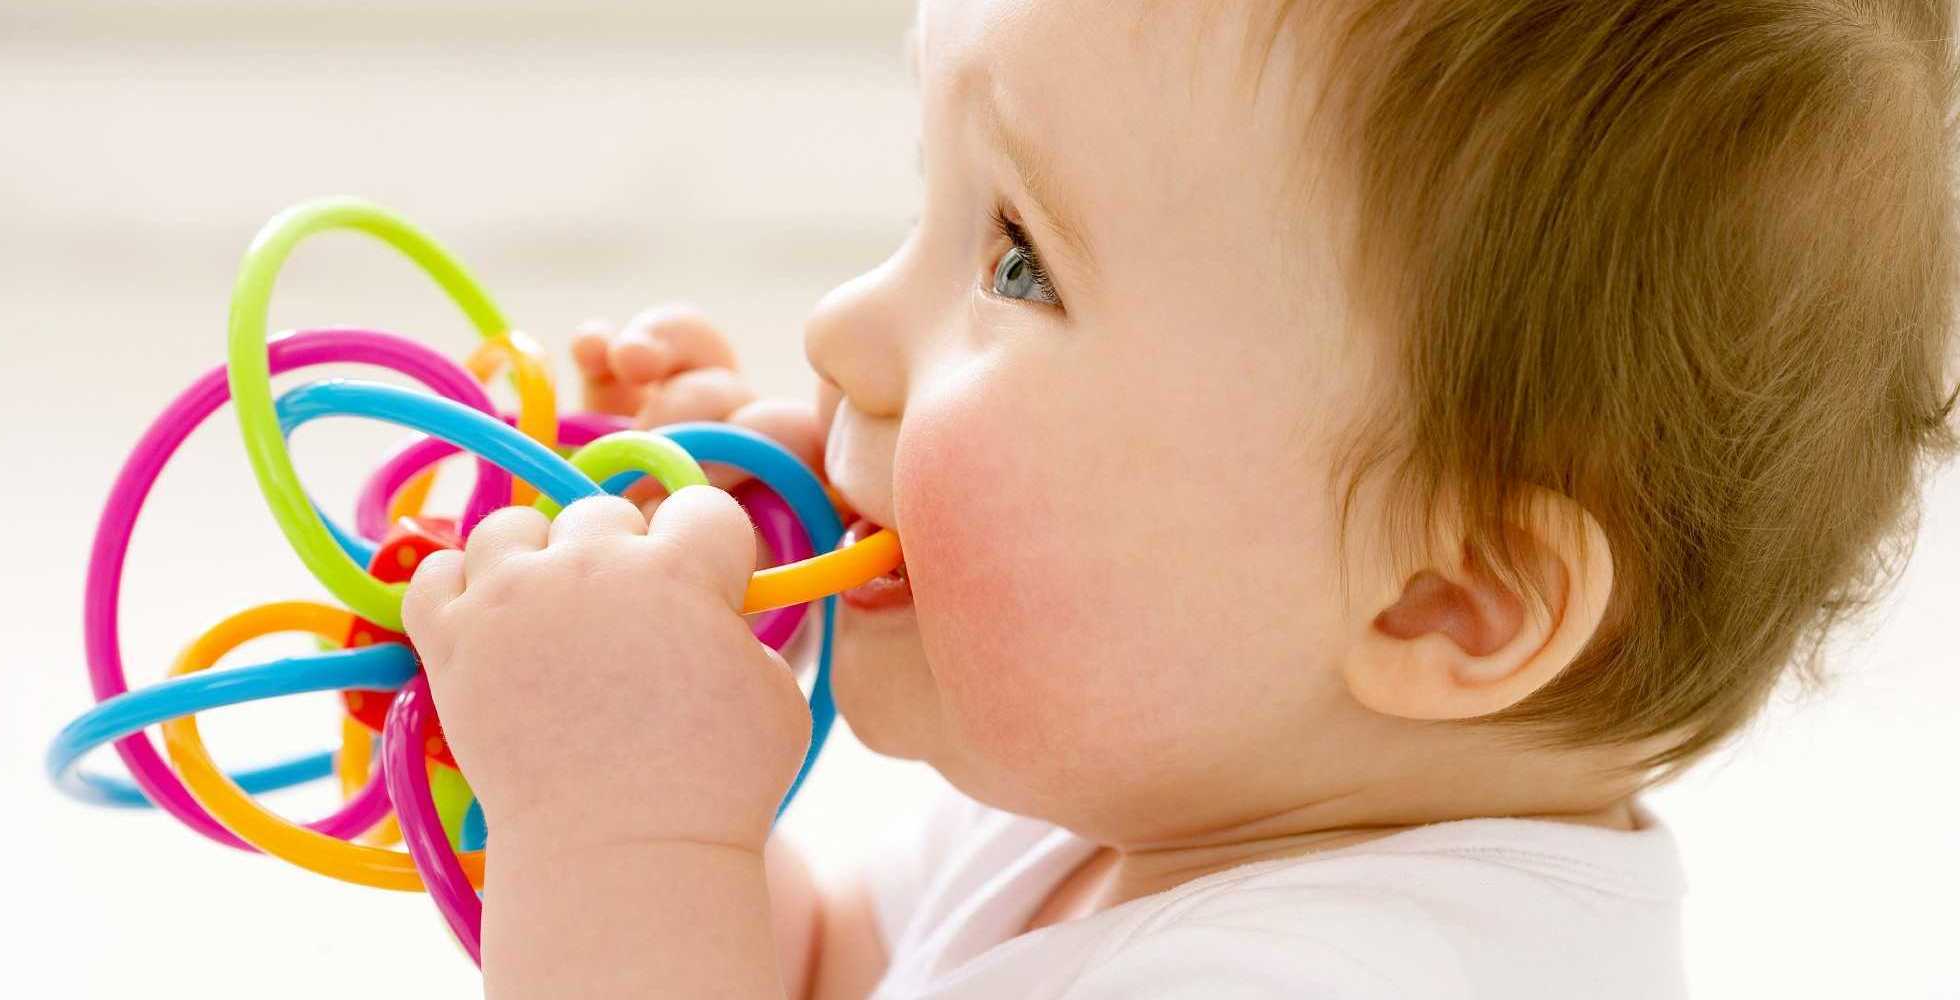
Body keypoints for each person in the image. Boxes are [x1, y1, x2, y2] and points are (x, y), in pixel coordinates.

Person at [398, 1, 1960, 996]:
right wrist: (637, 764)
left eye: (1015, 262)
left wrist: (619, 831)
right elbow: (807, 970)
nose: (836, 333)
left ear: (1445, 595)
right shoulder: (1152, 816)